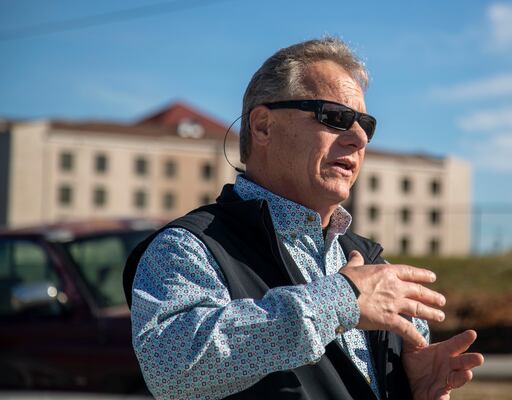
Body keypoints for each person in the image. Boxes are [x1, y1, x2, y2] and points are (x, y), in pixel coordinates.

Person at [123, 37, 484, 400]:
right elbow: (171, 371)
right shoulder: (189, 248)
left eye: (366, 125)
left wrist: (410, 391)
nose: (358, 138)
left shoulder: (373, 265)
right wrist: (341, 301)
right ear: (263, 126)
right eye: (336, 118)